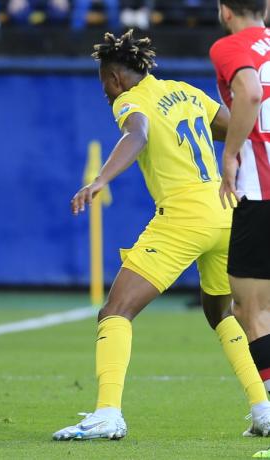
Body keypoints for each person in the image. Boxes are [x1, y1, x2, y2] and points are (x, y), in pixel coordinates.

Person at [52, 29, 270, 441]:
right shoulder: (184, 91)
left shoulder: (131, 100)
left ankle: (107, 413)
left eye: (104, 84)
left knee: (115, 311)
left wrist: (101, 179)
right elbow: (229, 124)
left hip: (185, 215)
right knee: (222, 313)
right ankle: (263, 408)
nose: (105, 93)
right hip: (227, 211)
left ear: (115, 79)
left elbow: (137, 134)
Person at [209, 0, 270, 454]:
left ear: (225, 9)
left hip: (261, 194)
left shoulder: (231, 45)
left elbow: (248, 92)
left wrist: (230, 153)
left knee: (253, 311)